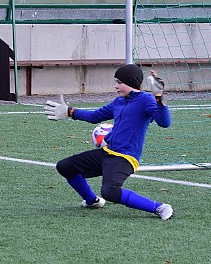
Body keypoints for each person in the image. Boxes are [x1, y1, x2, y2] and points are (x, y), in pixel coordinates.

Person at [44, 64, 174, 220]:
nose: (115, 86)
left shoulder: (146, 99)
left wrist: (159, 97)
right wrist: (70, 111)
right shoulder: (118, 101)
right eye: (115, 82)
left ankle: (159, 207)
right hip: (107, 153)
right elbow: (94, 116)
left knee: (110, 191)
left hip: (125, 157)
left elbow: (164, 122)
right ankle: (93, 201)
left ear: (131, 82)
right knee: (65, 166)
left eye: (119, 82)